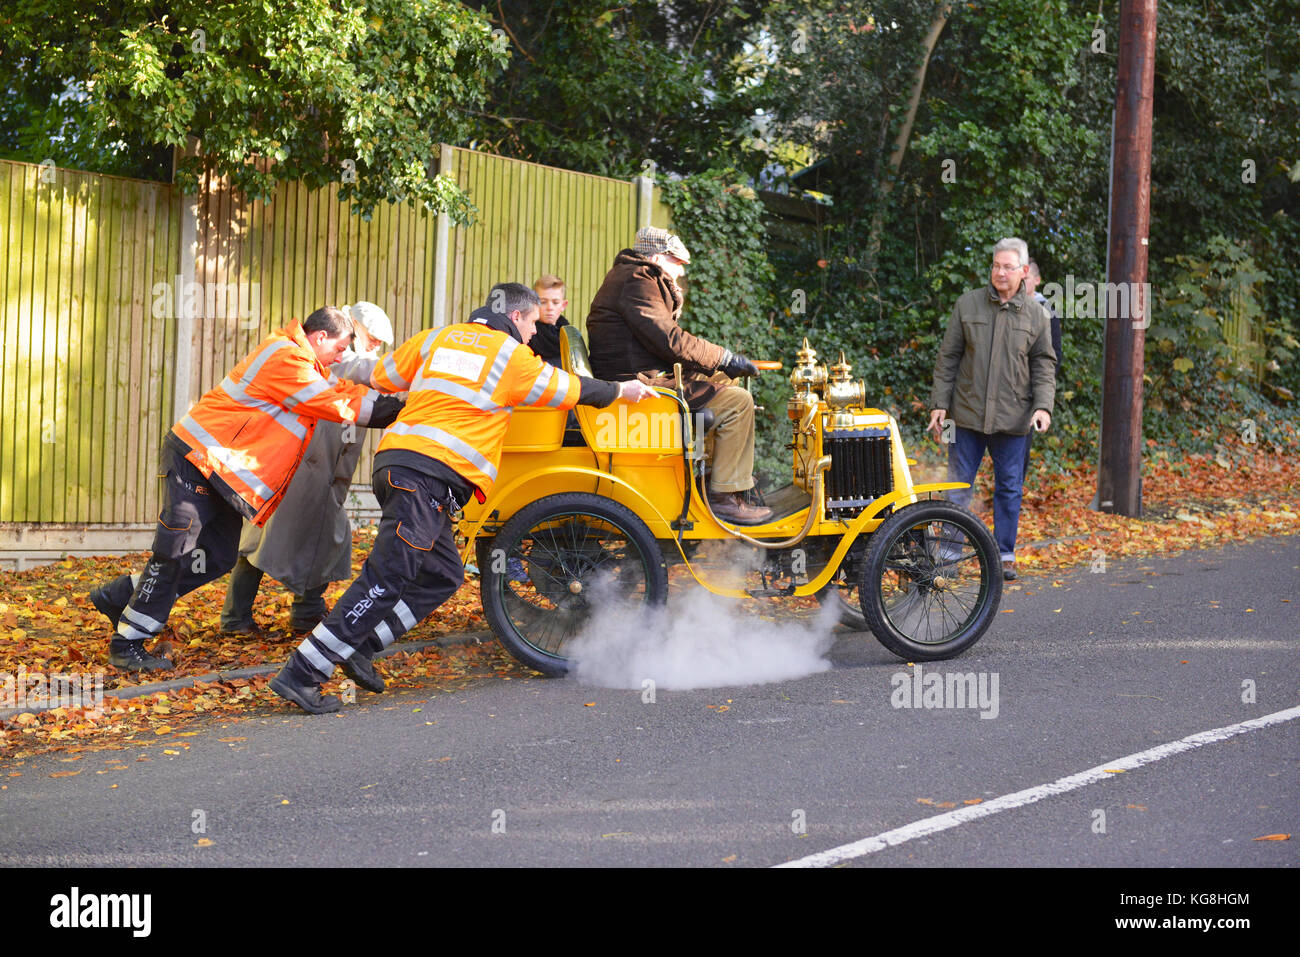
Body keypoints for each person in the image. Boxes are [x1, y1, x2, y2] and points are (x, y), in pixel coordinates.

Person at [268, 283, 659, 714]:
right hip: (426, 477)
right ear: (516, 317)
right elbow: (570, 389)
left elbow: (379, 375)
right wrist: (623, 391)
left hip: (400, 466)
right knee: (385, 578)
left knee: (443, 574)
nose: (533, 333)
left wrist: (335, 365)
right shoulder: (513, 357)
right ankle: (302, 673)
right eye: (531, 323)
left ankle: (360, 645)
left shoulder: (437, 337)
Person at [87, 307, 404, 671]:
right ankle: (127, 643)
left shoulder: (307, 363)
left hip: (218, 471)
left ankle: (121, 597)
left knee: (217, 556)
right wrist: (398, 411)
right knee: (175, 551)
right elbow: (335, 402)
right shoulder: (287, 358)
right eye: (340, 349)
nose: (341, 357)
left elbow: (340, 387)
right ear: (320, 338)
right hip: (197, 459)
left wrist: (396, 400)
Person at [219, 302, 396, 637]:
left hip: (327, 474)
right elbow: (360, 369)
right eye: (372, 339)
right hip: (297, 468)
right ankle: (235, 618)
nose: (375, 347)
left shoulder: (349, 358)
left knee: (326, 539)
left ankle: (306, 612)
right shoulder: (336, 357)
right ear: (353, 327)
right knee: (263, 541)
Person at [585, 226, 771, 524]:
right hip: (637, 384)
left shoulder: (633, 276)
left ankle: (709, 476)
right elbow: (670, 340)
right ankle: (724, 496)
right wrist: (724, 357)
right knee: (739, 402)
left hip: (635, 374)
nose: (681, 272)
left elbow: (662, 342)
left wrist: (721, 365)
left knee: (726, 381)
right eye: (677, 263)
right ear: (658, 257)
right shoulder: (637, 281)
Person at [927, 237, 1056, 582]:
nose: (1000, 272)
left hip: (1014, 420)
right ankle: (949, 555)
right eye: (996, 265)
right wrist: (939, 404)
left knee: (1009, 488)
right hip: (966, 416)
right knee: (957, 486)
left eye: (1008, 267)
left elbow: (1044, 365)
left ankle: (1004, 554)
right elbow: (948, 359)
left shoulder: (1038, 315)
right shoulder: (967, 305)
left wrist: (1043, 407)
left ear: (1024, 271)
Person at [1022, 260, 1063, 477]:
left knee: (1019, 457)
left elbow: (1054, 356)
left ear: (1037, 281)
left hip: (1026, 396)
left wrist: (1035, 392)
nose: (1021, 283)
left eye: (1026, 279)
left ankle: (1012, 502)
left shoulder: (1046, 310)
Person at [526, 274, 570, 367]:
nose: (550, 308)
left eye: (555, 302)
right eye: (543, 302)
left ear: (563, 305)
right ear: (534, 303)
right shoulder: (525, 335)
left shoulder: (570, 336)